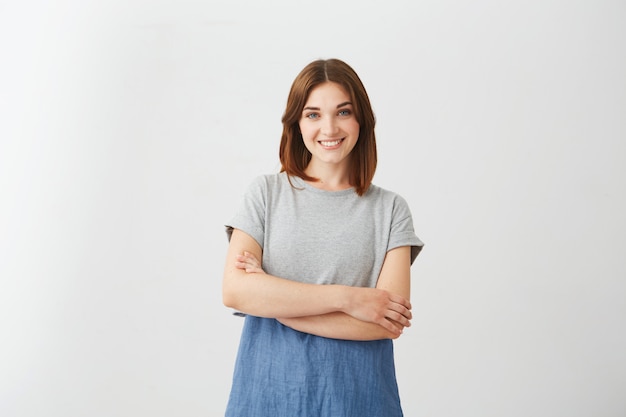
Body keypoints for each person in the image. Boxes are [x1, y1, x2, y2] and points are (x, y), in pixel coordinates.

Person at [222, 58, 424, 417]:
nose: (328, 127)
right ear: (296, 124)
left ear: (361, 119)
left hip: (359, 402)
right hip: (266, 398)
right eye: (313, 114)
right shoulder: (266, 194)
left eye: (342, 112)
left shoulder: (391, 209)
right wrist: (348, 299)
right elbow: (236, 291)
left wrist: (278, 306)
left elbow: (386, 323)